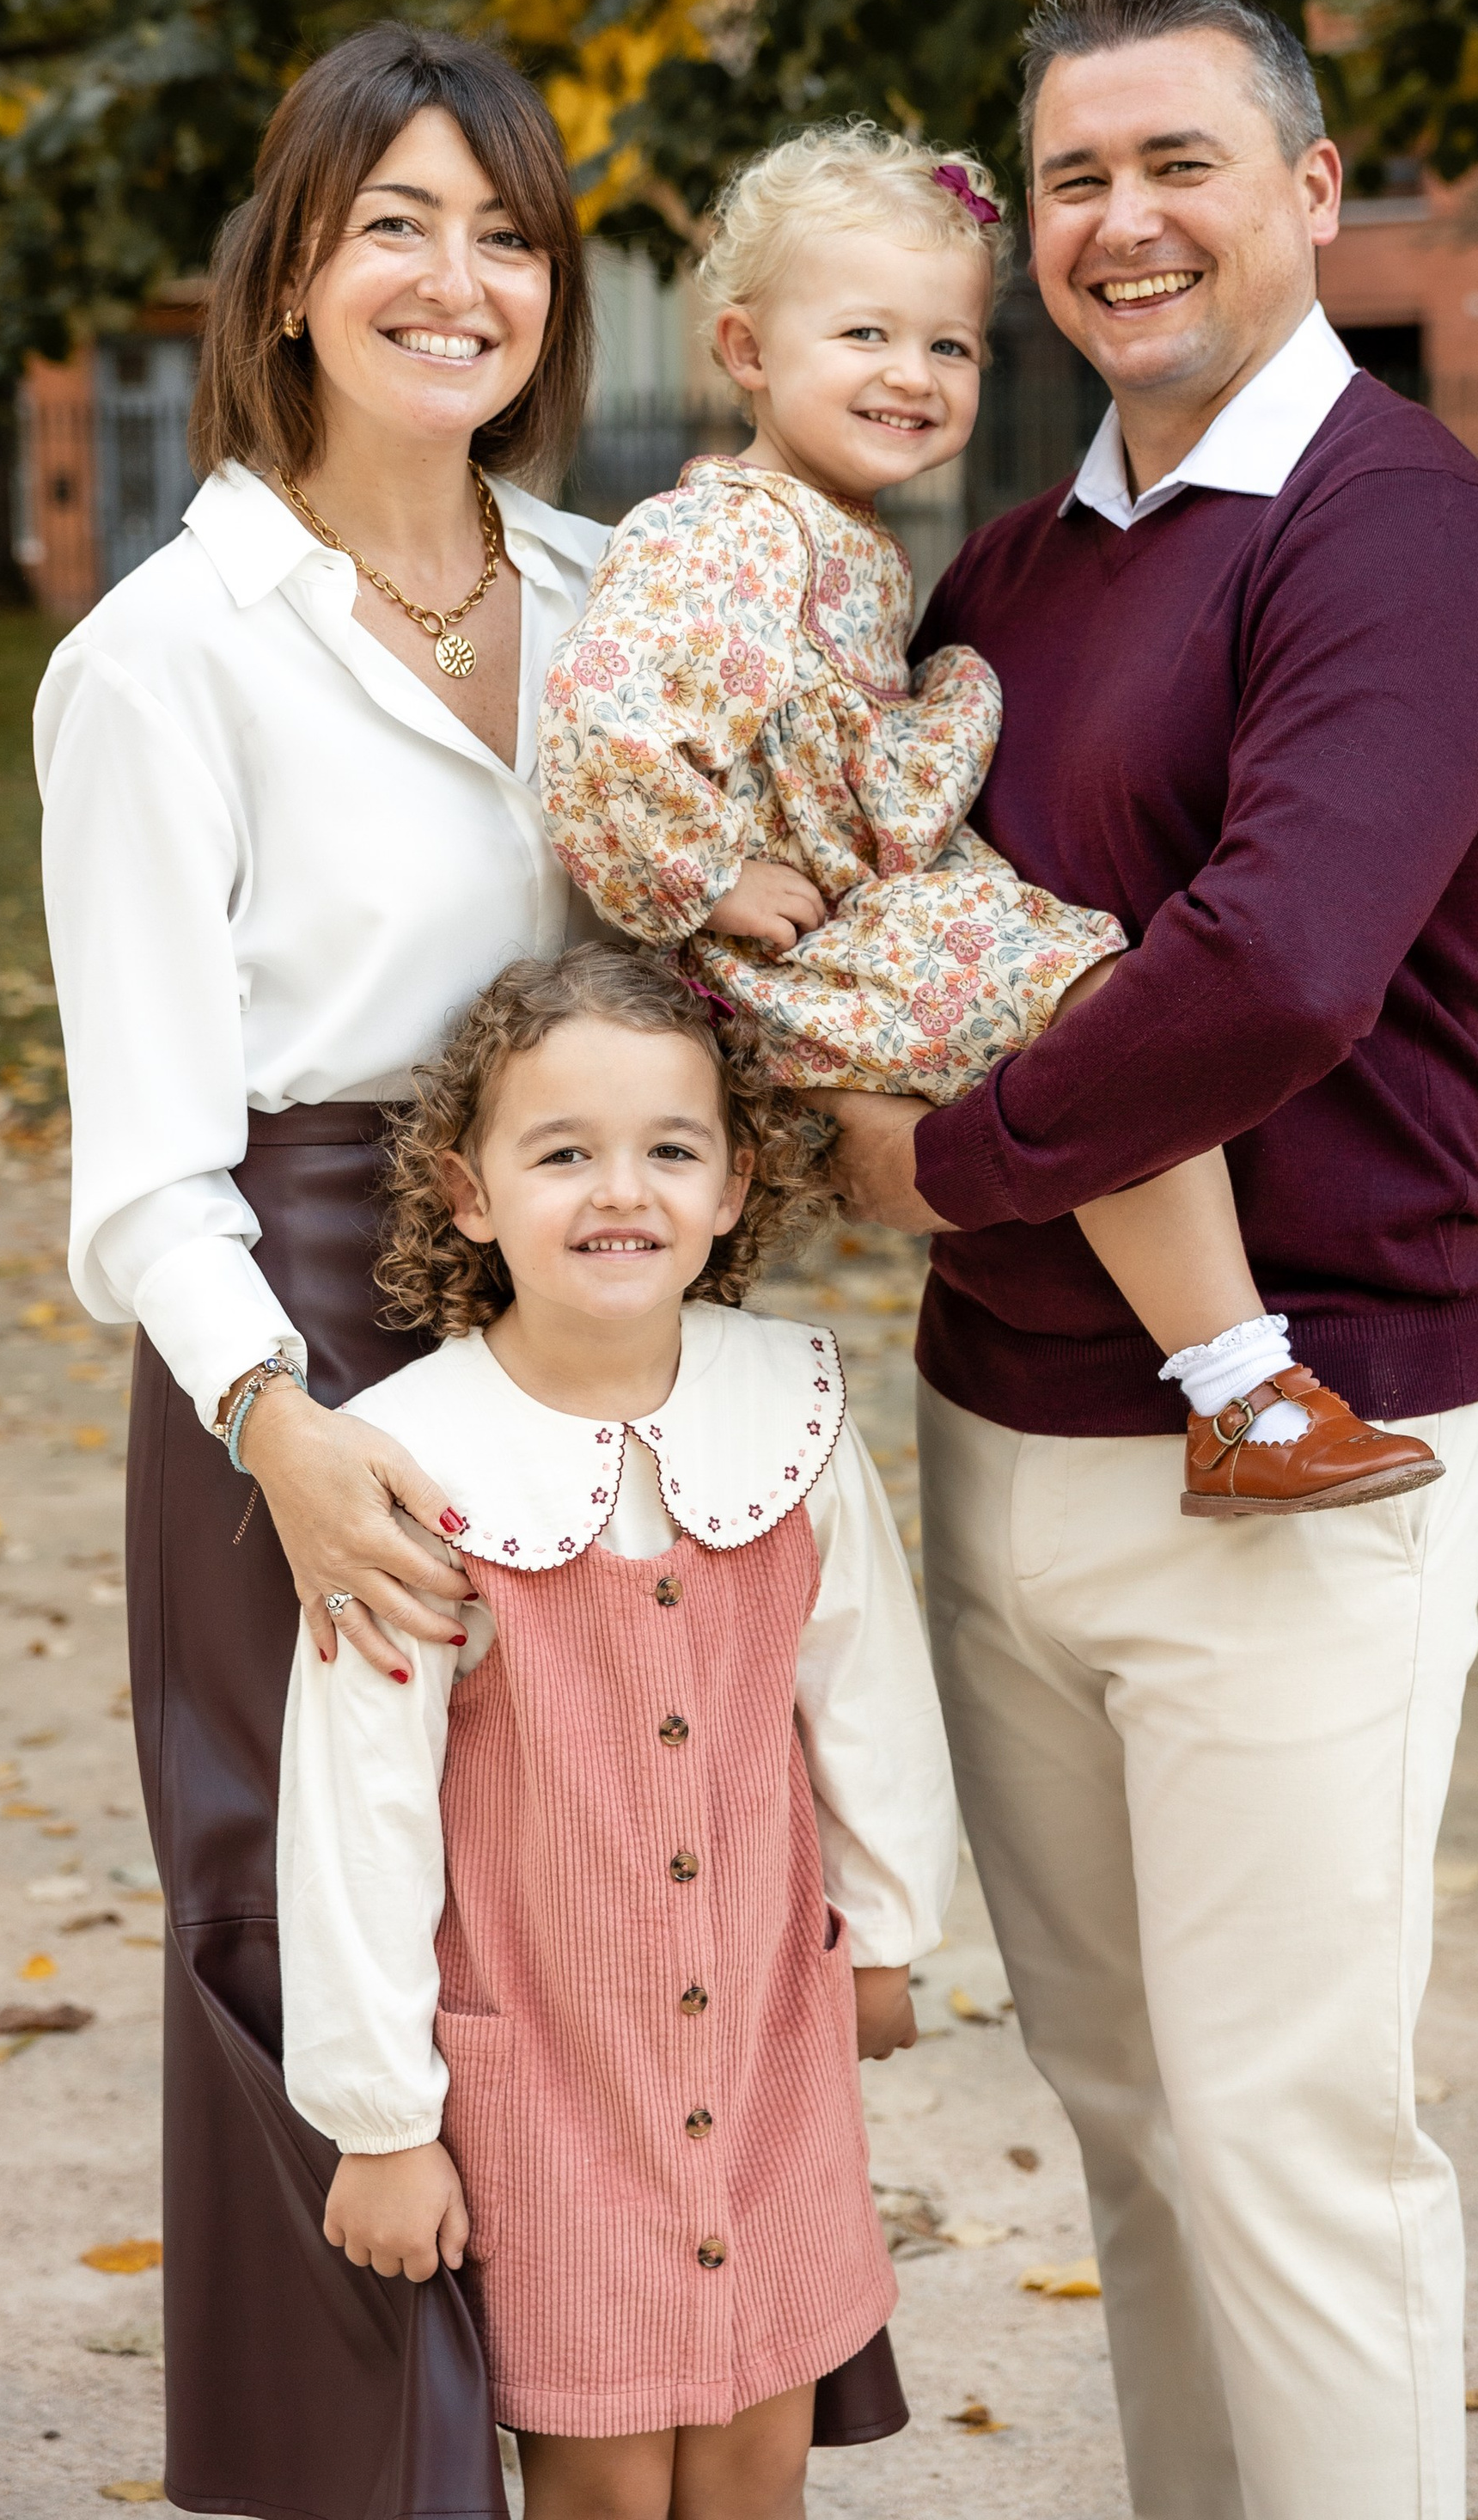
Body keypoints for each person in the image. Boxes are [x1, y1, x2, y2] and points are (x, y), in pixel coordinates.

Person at [826, 0, 1478, 2520]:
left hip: (1303, 1440)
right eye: (1071, 182)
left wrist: (941, 1158)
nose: (1122, 223)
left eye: (1182, 164)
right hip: (1005, 1433)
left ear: (1318, 195)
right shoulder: (1020, 564)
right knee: (1131, 2120)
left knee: (1288, 2140)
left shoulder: (1404, 532)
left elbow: (1277, 966)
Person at [34, 24, 611, 2520]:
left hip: (587, 1310)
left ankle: (608, 2443)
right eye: (396, 219)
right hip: (301, 1322)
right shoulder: (163, 656)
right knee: (297, 1919)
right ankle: (359, 2479)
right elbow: (148, 1162)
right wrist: (286, 1423)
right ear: (288, 278)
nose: (453, 276)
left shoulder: (615, 602)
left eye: (504, 230)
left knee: (567, 1903)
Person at [540, 123, 1440, 1515]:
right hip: (794, 948)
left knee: (1102, 1022)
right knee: (1104, 1011)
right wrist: (706, 877)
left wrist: (937, 703)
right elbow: (606, 723)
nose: (912, 376)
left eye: (949, 347)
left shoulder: (836, 536)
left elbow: (834, 754)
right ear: (745, 351)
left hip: (846, 928)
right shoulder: (730, 534)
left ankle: (1235, 1393)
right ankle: (1244, 1393)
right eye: (864, 335)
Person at [278, 945, 956, 2520]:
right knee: (595, 2473)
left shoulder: (786, 1405)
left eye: (669, 1148)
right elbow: (356, 1809)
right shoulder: (412, 1460)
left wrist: (886, 1932)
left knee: (754, 2453)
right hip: (549, 2070)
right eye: (561, 1151)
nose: (618, 1190)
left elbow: (863, 1679)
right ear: (468, 1190)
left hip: (771, 2043)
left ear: (733, 1188)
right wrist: (381, 2123)